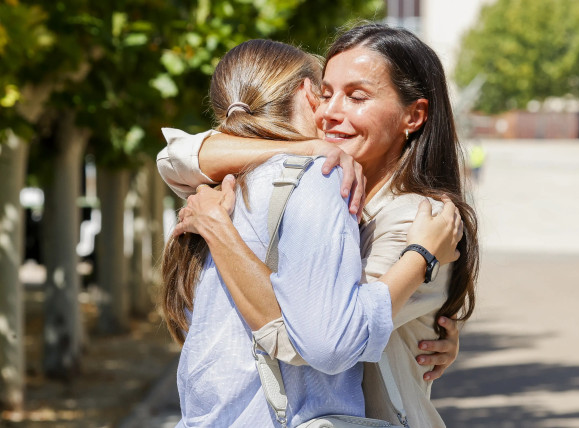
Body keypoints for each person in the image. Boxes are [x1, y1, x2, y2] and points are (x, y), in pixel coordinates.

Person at [160, 24, 479, 427]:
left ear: (413, 115)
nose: (330, 112)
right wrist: (306, 147)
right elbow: (176, 156)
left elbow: (318, 337)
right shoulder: (314, 182)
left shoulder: (413, 218)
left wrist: (421, 258)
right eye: (326, 94)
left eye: (357, 97)